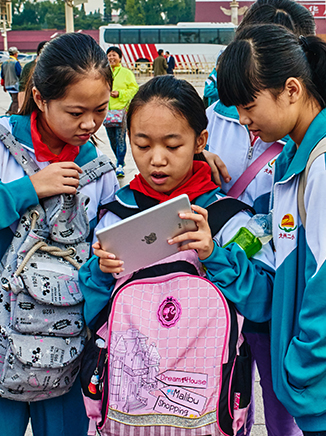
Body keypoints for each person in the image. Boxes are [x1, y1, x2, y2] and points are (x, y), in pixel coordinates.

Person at [205, 23, 326, 436]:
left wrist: (298, 368)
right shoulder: (300, 154)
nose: (242, 120)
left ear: (291, 89)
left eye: (249, 105)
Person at [0, 33, 120, 436]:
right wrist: (28, 188)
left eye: (100, 110)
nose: (89, 124)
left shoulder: (98, 166)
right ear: (40, 97)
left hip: (68, 344)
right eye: (75, 111)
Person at [80, 76, 275, 432]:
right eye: (142, 145)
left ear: (200, 140)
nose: (156, 160)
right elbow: (95, 316)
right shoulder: (116, 216)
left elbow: (264, 301)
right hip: (129, 412)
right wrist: (99, 271)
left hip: (212, 410)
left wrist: (214, 255)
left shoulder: (229, 218)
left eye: (173, 145)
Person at [206, 0, 310, 436]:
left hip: (275, 290)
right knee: (223, 395)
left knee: (282, 404)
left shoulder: (308, 132)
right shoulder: (209, 119)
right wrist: (191, 160)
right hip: (218, 283)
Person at [105, 46, 139, 177]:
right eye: (109, 55)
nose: (111, 57)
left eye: (114, 55)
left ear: (120, 57)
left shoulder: (126, 73)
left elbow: (134, 89)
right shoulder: (104, 72)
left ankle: (119, 164)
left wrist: (119, 93)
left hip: (121, 111)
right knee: (111, 139)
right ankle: (119, 160)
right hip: (107, 112)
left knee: (120, 138)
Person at [1, 47, 22, 115]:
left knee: (14, 100)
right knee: (16, 101)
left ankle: (9, 112)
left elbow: (2, 75)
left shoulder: (4, 63)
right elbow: (19, 73)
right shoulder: (15, 62)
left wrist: (4, 85)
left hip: (7, 85)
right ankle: (12, 114)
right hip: (15, 84)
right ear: (16, 54)